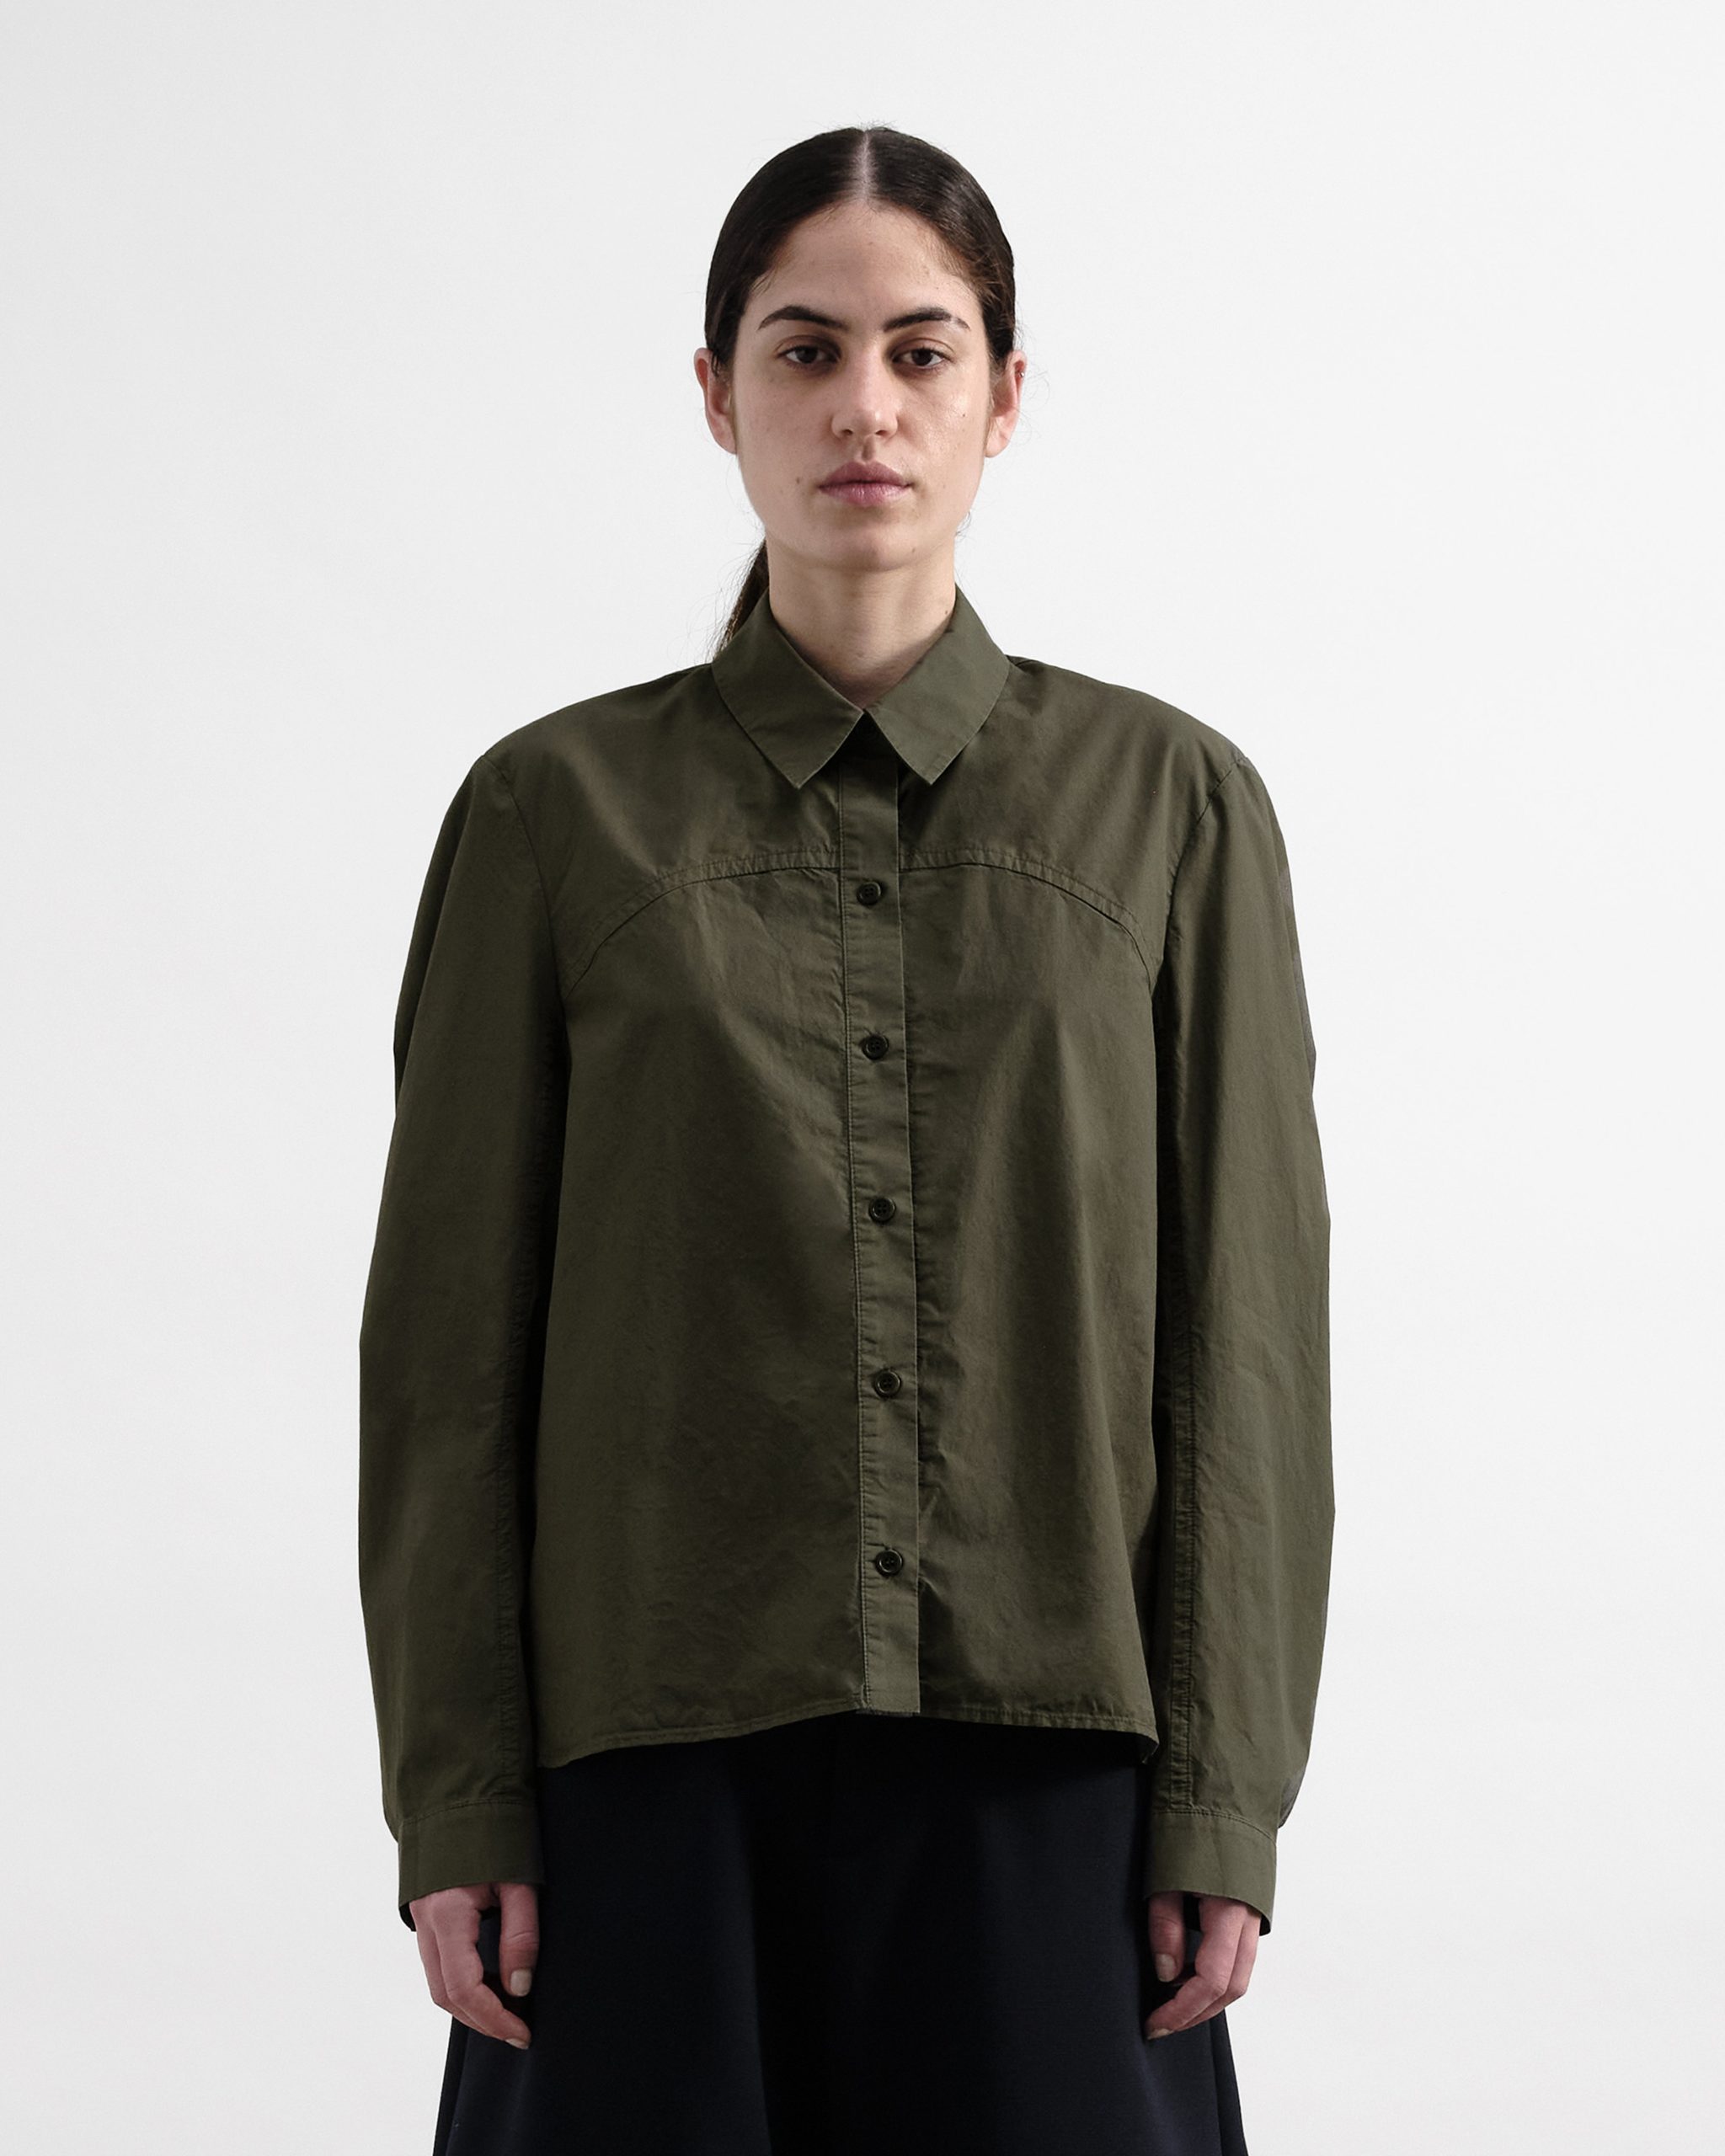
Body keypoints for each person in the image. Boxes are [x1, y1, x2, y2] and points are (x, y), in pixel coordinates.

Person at [358, 124, 1334, 2155]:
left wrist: (1220, 1792)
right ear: (718, 396)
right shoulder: (549, 814)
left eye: (921, 350)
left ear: (1004, 394)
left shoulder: (1172, 808)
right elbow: (450, 1356)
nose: (864, 406)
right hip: (642, 1762)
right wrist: (459, 1794)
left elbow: (1241, 1345)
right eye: (803, 350)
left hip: (1054, 1759)